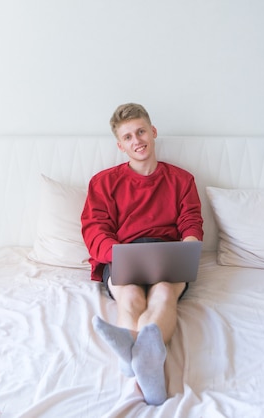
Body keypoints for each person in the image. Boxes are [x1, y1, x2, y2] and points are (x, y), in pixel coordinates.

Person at [81, 103, 203, 405]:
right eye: (128, 137)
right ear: (120, 146)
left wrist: (188, 246)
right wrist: (118, 254)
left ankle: (134, 355)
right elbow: (95, 229)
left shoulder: (182, 180)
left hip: (167, 253)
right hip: (121, 255)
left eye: (141, 132)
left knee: (163, 293)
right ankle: (145, 362)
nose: (137, 140)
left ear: (153, 132)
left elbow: (191, 222)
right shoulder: (103, 182)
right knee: (131, 296)